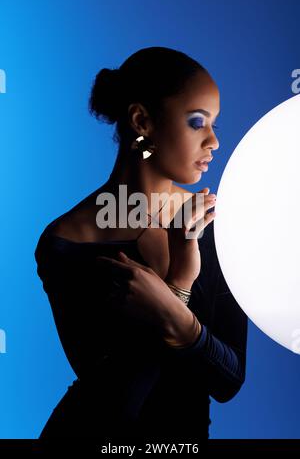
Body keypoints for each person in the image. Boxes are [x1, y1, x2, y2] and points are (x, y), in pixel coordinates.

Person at [34, 46, 248, 445]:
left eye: (215, 124)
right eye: (198, 122)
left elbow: (228, 380)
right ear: (142, 120)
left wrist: (170, 300)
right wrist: (179, 284)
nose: (214, 141)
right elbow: (113, 397)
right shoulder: (65, 242)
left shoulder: (218, 226)